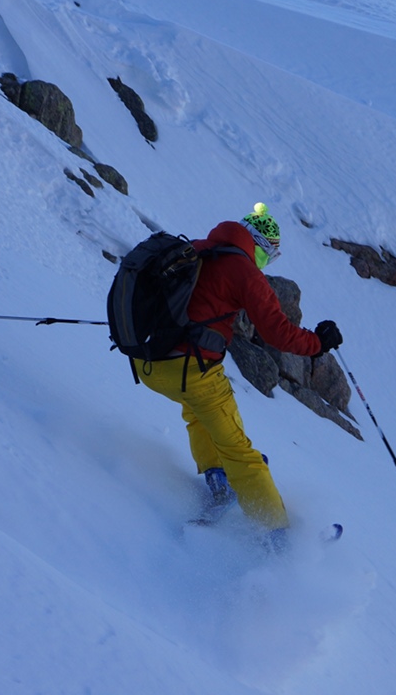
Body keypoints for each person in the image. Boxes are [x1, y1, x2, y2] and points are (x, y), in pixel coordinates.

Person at [133, 203, 342, 545]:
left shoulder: (200, 248)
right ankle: (278, 538)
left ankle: (219, 483)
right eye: (271, 255)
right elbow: (278, 333)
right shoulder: (244, 271)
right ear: (261, 245)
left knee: (198, 412)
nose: (268, 264)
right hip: (192, 369)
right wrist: (318, 343)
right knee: (241, 452)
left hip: (151, 364)